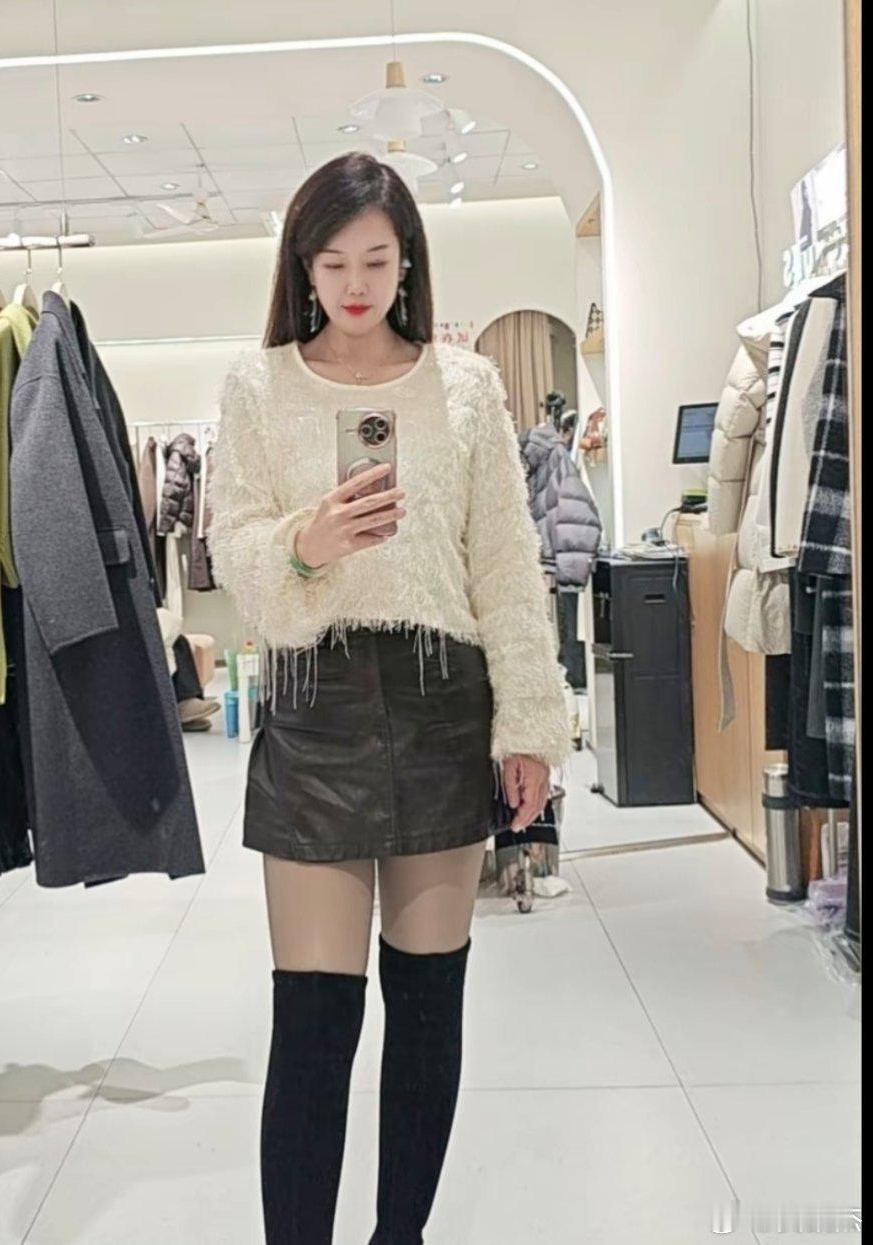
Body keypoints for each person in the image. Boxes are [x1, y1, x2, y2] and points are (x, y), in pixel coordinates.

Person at [208, 152, 570, 1245]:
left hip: (440, 705)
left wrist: (529, 725)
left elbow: (505, 564)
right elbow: (233, 550)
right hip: (315, 709)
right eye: (334, 263)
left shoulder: (466, 387)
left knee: (426, 1005)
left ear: (407, 259)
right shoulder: (257, 385)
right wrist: (306, 542)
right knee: (313, 1022)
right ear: (302, 267)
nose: (356, 284)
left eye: (376, 258)